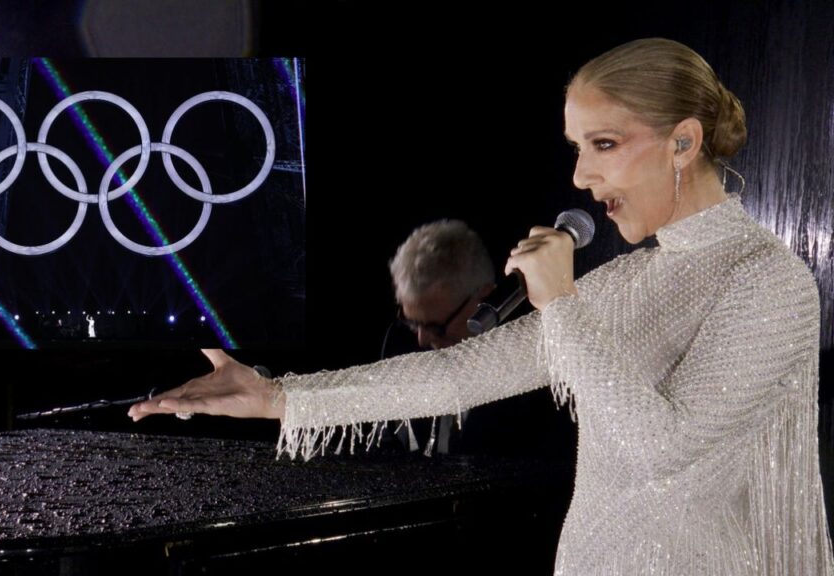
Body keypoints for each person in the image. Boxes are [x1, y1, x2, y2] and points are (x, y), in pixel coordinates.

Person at [129, 38, 833, 574]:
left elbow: (665, 450)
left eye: (605, 145)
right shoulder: (628, 283)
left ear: (684, 140)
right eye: (577, 148)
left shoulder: (766, 282)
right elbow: (458, 375)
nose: (582, 176)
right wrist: (277, 398)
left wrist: (558, 300)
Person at [386, 219, 496, 454]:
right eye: (413, 323)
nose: (421, 340)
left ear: (484, 299)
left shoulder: (534, 366)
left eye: (436, 326)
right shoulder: (399, 342)